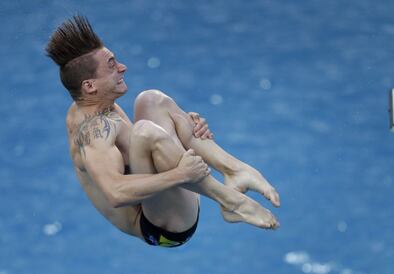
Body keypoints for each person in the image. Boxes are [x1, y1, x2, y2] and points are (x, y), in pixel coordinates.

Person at [45, 15, 280, 248]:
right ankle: (230, 200)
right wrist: (182, 174)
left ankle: (235, 171)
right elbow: (115, 193)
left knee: (151, 100)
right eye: (112, 65)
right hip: (160, 227)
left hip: (174, 190)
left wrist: (185, 125)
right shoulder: (92, 132)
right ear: (90, 86)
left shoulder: (97, 103)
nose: (122, 67)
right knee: (145, 132)